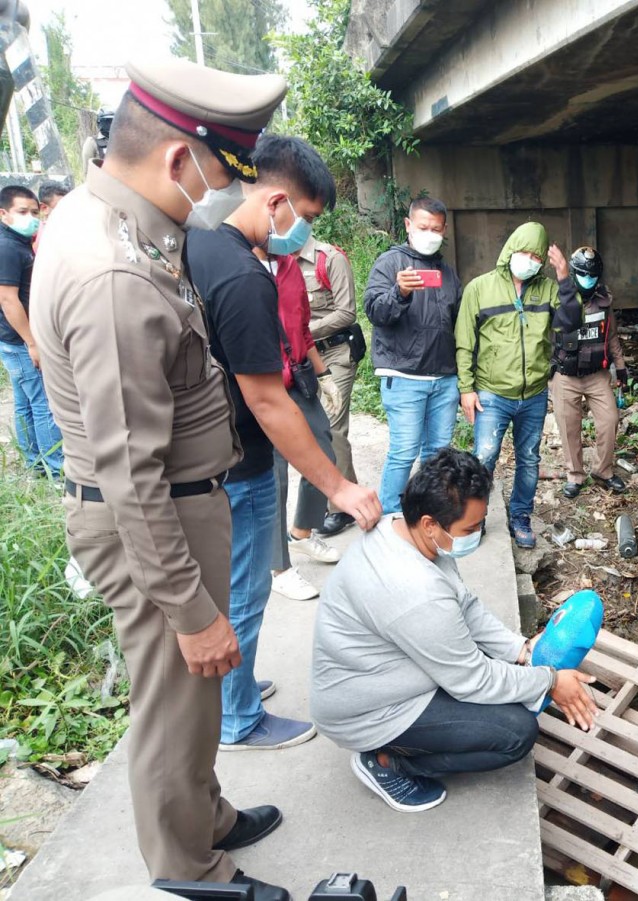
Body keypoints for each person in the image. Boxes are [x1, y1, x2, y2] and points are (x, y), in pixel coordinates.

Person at [29, 58, 291, 897]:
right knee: (177, 695)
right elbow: (130, 472)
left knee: (192, 700)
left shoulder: (110, 219)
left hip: (174, 503)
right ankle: (190, 867)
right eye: (219, 175)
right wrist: (189, 608)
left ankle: (202, 812)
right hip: (154, 518)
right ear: (179, 160)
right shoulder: (112, 273)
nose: (218, 196)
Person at [185, 133, 381, 752]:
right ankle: (239, 720)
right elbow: (268, 401)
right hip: (239, 463)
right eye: (307, 217)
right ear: (276, 202)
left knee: (234, 588)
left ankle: (234, 691)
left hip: (214, 454)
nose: (304, 232)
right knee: (245, 591)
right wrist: (339, 487)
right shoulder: (245, 277)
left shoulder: (201, 247)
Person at [310, 448, 597, 812]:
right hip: (368, 711)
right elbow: (472, 680)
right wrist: (551, 680)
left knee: (503, 672)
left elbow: (465, 605)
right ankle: (387, 764)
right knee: (516, 733)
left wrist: (521, 649)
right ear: (431, 524)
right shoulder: (415, 593)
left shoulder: (400, 528)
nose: (476, 535)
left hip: (381, 673)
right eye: (471, 529)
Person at [455, 222, 557, 548]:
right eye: (525, 252)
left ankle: (520, 516)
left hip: (535, 393)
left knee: (529, 459)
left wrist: (566, 278)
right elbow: (464, 342)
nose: (530, 260)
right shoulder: (479, 289)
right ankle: (474, 517)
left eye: (536, 256)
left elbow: (574, 318)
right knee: (484, 456)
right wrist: (466, 389)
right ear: (511, 249)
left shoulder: (548, 289)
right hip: (492, 392)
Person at [363, 196, 462, 515]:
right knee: (404, 451)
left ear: (444, 230)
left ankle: (426, 510)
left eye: (436, 228)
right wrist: (400, 292)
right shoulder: (390, 264)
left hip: (444, 379)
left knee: (437, 453)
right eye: (423, 227)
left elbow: (458, 322)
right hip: (404, 378)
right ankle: (390, 516)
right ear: (408, 225)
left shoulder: (447, 272)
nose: (429, 233)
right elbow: (375, 312)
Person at [269, 246, 342, 602]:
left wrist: (323, 374)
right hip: (262, 384)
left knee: (323, 451)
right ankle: (278, 567)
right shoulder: (238, 265)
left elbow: (302, 330)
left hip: (298, 378)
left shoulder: (288, 267)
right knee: (273, 475)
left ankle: (300, 532)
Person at [546, 244, 628, 499]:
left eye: (593, 276)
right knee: (569, 427)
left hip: (597, 375)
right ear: (572, 273)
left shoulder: (604, 300)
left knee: (609, 420)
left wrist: (621, 367)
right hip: (565, 375)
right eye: (584, 274)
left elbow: (611, 336)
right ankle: (575, 475)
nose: (588, 280)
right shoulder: (558, 296)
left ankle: (603, 470)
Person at [298, 234, 361, 537]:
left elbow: (347, 312)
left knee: (332, 428)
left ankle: (343, 508)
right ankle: (337, 494)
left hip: (336, 353)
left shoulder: (329, 258)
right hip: (302, 358)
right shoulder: (277, 262)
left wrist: (304, 331)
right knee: (310, 428)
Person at [0, 184, 62, 478]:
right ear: (3, 214)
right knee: (44, 404)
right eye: (22, 212)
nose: (31, 217)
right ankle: (56, 467)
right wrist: (32, 342)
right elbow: (7, 299)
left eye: (35, 212)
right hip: (19, 341)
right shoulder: (8, 248)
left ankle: (33, 460)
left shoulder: (17, 242)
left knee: (25, 402)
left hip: (12, 340)